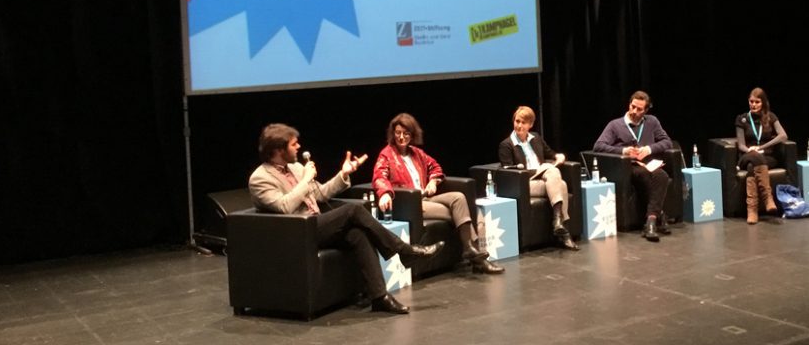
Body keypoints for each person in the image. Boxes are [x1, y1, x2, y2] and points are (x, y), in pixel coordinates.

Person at [248, 123, 444, 315]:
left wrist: (344, 174)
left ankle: (379, 297)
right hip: (295, 232)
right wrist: (307, 179)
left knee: (357, 234)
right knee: (353, 210)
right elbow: (284, 207)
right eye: (293, 144)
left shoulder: (296, 168)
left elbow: (321, 193)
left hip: (316, 224)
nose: (298, 146)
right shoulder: (260, 178)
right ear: (278, 150)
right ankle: (404, 250)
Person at [372, 113, 504, 275]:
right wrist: (385, 193)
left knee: (458, 198)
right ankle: (476, 257)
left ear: (412, 135)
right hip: (412, 203)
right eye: (398, 133)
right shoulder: (387, 154)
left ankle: (471, 250)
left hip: (427, 197)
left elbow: (435, 167)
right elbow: (379, 176)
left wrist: (433, 182)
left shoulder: (416, 153)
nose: (401, 137)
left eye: (406, 133)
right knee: (456, 213)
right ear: (393, 134)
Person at [593, 90, 674, 242]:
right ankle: (659, 216)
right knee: (645, 176)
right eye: (632, 106)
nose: (634, 111)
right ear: (629, 104)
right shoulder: (615, 125)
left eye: (639, 109)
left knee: (662, 175)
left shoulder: (652, 122)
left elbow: (667, 142)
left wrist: (649, 149)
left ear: (646, 110)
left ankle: (650, 221)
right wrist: (624, 151)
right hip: (629, 166)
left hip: (648, 163)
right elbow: (598, 146)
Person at [497, 106, 579, 250]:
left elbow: (549, 153)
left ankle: (560, 227)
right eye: (517, 121)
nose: (519, 125)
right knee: (554, 174)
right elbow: (508, 171)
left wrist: (557, 156)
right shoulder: (506, 145)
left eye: (523, 122)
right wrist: (537, 170)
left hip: (543, 179)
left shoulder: (536, 138)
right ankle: (562, 228)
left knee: (561, 184)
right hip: (524, 183)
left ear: (530, 124)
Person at [735, 87, 788, 224]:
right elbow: (741, 145)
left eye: (757, 102)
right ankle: (767, 198)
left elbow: (783, 136)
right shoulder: (742, 119)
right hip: (747, 155)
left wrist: (761, 148)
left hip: (767, 157)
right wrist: (750, 150)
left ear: (763, 102)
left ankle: (752, 210)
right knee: (753, 158)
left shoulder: (771, 117)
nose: (753, 105)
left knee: (752, 166)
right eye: (751, 101)